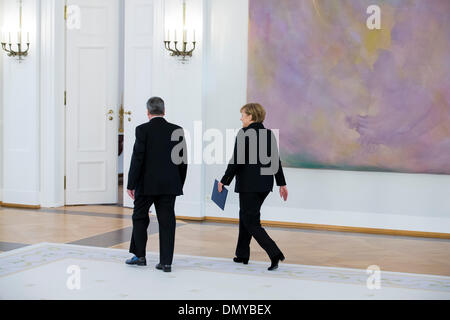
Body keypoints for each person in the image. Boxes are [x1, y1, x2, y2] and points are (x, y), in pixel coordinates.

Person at [218, 103, 288, 271]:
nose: (241, 118)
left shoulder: (244, 133)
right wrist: (281, 183)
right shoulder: (268, 134)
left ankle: (275, 253)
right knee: (246, 217)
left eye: (243, 115)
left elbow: (236, 160)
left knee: (251, 221)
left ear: (250, 116)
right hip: (264, 185)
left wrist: (224, 180)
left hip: (249, 185)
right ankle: (242, 254)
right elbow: (275, 161)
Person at [125, 97, 187, 273]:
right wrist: (178, 183)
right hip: (170, 184)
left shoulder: (142, 129)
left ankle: (140, 256)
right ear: (164, 111)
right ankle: (166, 263)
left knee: (139, 217)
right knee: (167, 221)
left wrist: (130, 184)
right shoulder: (177, 130)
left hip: (146, 184)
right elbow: (183, 161)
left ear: (148, 112)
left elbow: (138, 158)